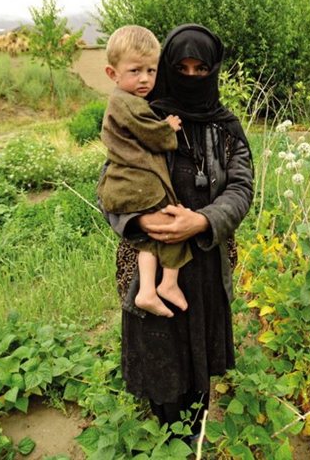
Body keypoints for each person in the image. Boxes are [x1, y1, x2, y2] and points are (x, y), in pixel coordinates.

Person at [101, 24, 254, 443]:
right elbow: (110, 187)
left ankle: (193, 433)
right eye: (180, 67)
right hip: (146, 259)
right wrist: (138, 222)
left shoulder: (227, 128)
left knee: (198, 355)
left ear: (213, 70)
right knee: (158, 351)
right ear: (167, 67)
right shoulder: (144, 115)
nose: (190, 75)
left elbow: (242, 188)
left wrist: (203, 220)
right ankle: (164, 434)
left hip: (205, 257)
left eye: (199, 67)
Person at [97, 25, 192, 318]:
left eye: (151, 71)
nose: (145, 79)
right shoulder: (127, 103)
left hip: (128, 184)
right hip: (137, 183)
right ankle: (168, 284)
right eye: (135, 71)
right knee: (172, 227)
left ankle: (149, 290)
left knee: (150, 239)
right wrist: (169, 127)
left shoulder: (124, 100)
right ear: (112, 74)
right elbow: (150, 133)